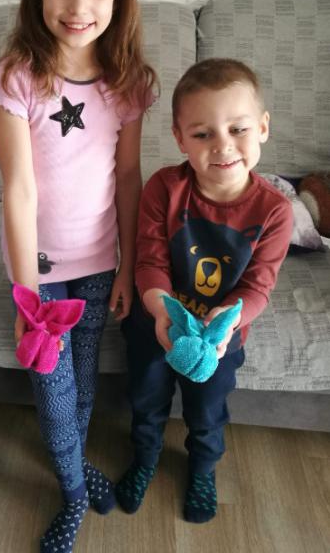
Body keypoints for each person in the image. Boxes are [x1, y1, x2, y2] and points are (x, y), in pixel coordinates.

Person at [0, 0, 157, 552]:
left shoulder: (129, 82)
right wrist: (29, 300)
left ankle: (75, 464)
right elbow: (18, 190)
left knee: (82, 381)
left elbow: (129, 177)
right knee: (53, 393)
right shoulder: (15, 79)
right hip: (42, 276)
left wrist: (129, 267)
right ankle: (75, 491)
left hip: (99, 266)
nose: (79, 6)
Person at [116, 58, 293, 524]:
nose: (223, 146)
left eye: (238, 129)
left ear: (262, 128)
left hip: (220, 339)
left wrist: (228, 320)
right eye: (202, 134)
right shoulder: (164, 188)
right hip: (155, 324)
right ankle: (145, 457)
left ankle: (202, 469)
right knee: (145, 400)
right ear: (180, 138)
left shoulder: (275, 211)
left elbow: (259, 286)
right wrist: (160, 312)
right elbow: (150, 262)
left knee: (207, 411)